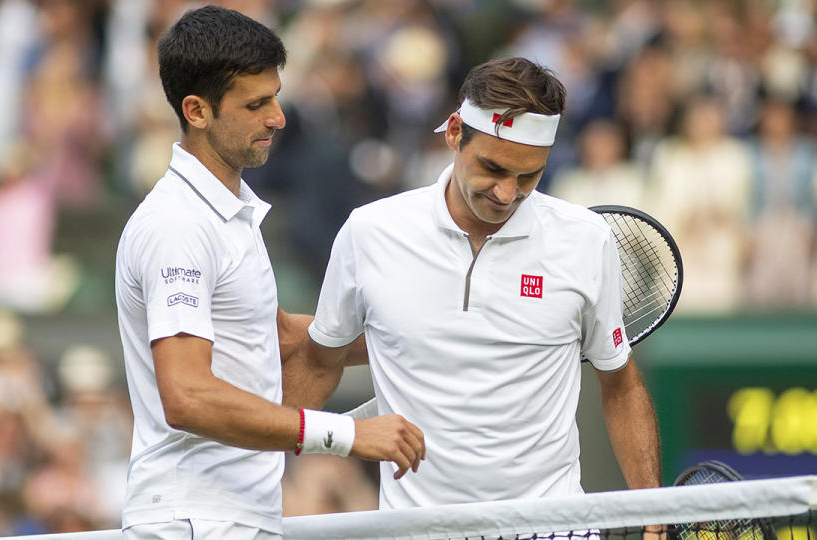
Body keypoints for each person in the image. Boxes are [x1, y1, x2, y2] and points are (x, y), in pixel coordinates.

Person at [284, 57, 661, 511]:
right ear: (454, 133)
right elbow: (320, 363)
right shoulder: (370, 232)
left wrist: (653, 510)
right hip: (417, 527)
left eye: (528, 176)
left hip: (552, 524)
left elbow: (620, 384)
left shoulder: (586, 239)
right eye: (493, 168)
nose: (507, 193)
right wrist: (253, 459)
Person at [113, 7, 424, 540]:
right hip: (195, 522)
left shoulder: (224, 211)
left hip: (228, 516)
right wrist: (347, 434)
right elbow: (187, 395)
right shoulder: (178, 227)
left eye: (275, 96)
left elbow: (277, 335)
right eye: (256, 104)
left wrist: (421, 333)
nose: (278, 117)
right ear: (197, 110)